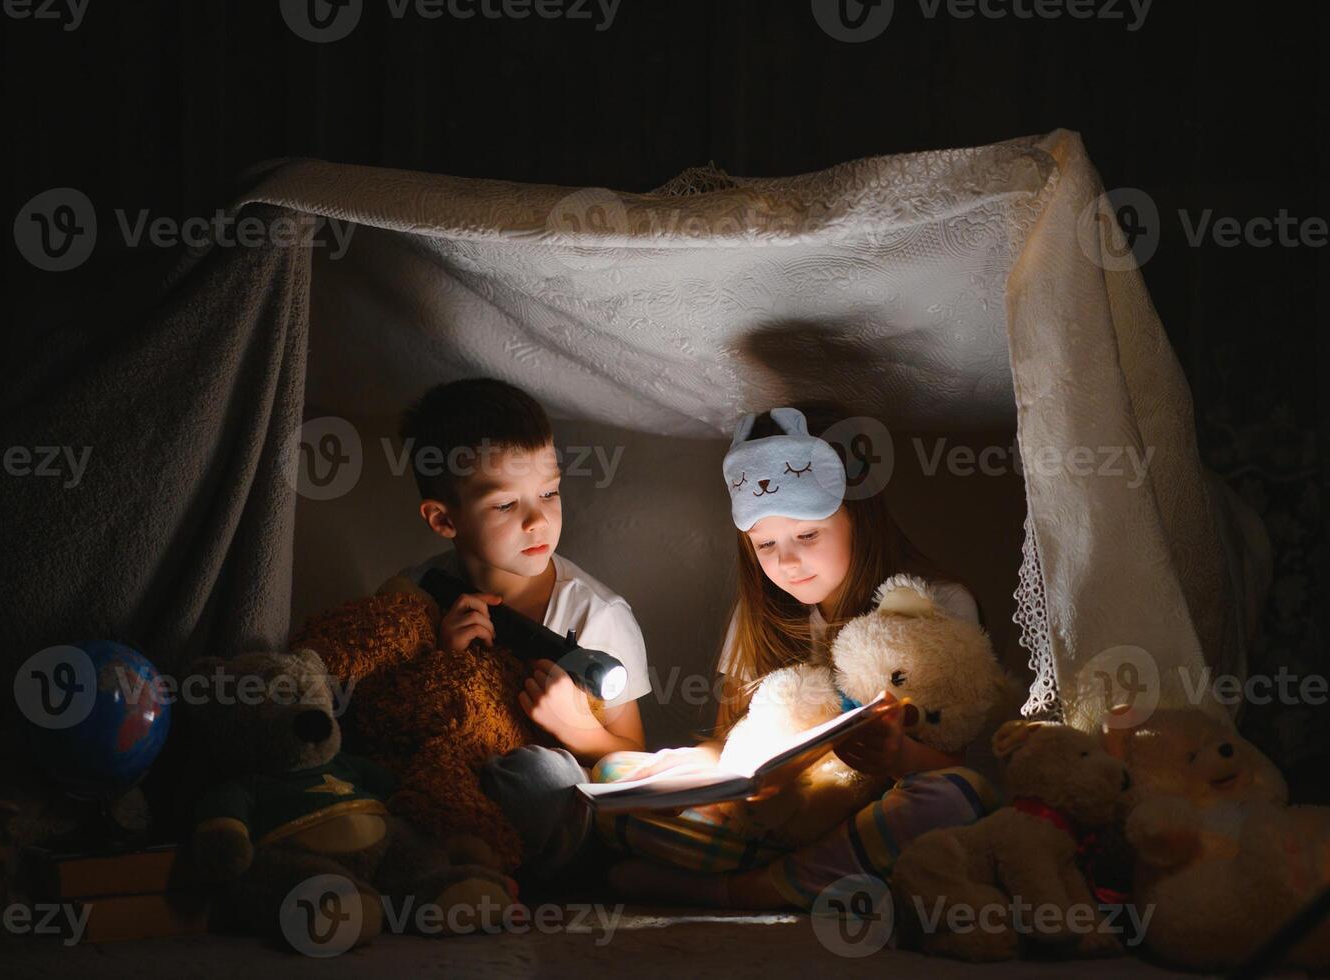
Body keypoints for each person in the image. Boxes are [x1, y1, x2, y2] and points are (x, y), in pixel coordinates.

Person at [592, 403, 993, 909]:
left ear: (858, 517)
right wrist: (687, 763)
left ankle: (745, 891)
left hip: (869, 815)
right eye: (764, 545)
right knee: (614, 775)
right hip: (775, 818)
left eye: (808, 535)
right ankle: (801, 876)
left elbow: (947, 762)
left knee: (956, 797)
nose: (787, 562)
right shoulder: (757, 615)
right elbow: (728, 742)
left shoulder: (937, 604)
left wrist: (899, 757)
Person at [388, 377, 651, 880]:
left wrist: (579, 730)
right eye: (506, 504)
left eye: (549, 492)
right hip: (447, 792)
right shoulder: (415, 597)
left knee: (538, 776)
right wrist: (441, 659)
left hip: (545, 818)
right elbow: (391, 718)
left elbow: (636, 758)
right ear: (444, 520)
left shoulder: (597, 615)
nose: (538, 521)